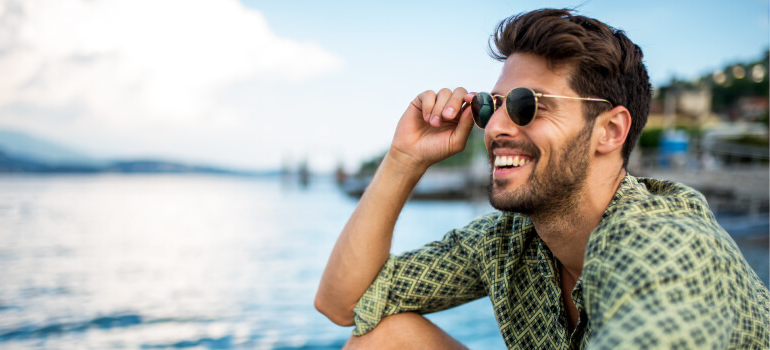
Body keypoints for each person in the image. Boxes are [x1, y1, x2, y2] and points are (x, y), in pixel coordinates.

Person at [314, 8, 770, 349]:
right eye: (491, 106)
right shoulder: (510, 241)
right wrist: (403, 159)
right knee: (385, 339)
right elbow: (345, 304)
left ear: (609, 131)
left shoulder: (662, 244)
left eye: (526, 105)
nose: (495, 127)